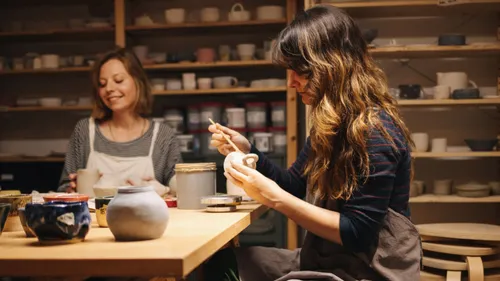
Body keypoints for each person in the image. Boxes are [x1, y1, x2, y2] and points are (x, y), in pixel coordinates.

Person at [208, 5, 421, 281]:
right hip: (326, 261)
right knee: (220, 263)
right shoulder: (330, 123)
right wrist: (249, 150)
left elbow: (357, 233)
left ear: (335, 66)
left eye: (301, 71)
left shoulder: (376, 131)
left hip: (369, 271)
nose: (291, 83)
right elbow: (295, 185)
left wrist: (274, 198)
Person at [58, 47, 182, 196]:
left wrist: (166, 190)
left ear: (138, 82)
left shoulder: (163, 136)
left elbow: (181, 193)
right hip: (94, 219)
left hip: (145, 219)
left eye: (118, 80)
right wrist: (71, 189)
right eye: (102, 84)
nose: (109, 89)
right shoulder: (84, 131)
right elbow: (64, 188)